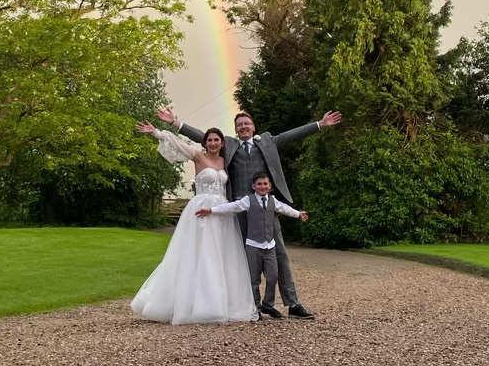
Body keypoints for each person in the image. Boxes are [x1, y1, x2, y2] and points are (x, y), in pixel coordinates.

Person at [157, 106, 342, 319]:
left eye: (247, 124)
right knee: (244, 258)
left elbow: (292, 135)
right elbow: (204, 136)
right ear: (236, 130)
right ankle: (252, 304)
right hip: (238, 209)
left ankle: (293, 304)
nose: (243, 127)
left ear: (253, 127)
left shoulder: (268, 141)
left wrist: (319, 124)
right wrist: (174, 123)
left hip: (265, 209)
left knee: (279, 254)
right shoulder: (230, 145)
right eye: (239, 125)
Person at [130, 120, 258, 325]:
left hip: (221, 213)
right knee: (200, 254)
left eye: (217, 140)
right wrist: (157, 132)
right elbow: (177, 142)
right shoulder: (198, 157)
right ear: (205, 143)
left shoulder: (225, 161)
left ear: (222, 143)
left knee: (222, 256)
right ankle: (194, 303)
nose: (213, 143)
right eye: (209, 140)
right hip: (201, 211)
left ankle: (220, 302)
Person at [196, 171, 309, 320]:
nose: (262, 187)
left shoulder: (273, 201)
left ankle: (268, 304)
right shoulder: (248, 200)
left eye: (265, 184)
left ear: (270, 186)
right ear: (253, 186)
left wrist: (298, 214)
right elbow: (232, 206)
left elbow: (284, 208)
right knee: (254, 278)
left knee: (272, 275)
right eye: (259, 184)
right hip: (253, 246)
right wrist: (212, 210)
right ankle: (255, 307)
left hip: (269, 246)